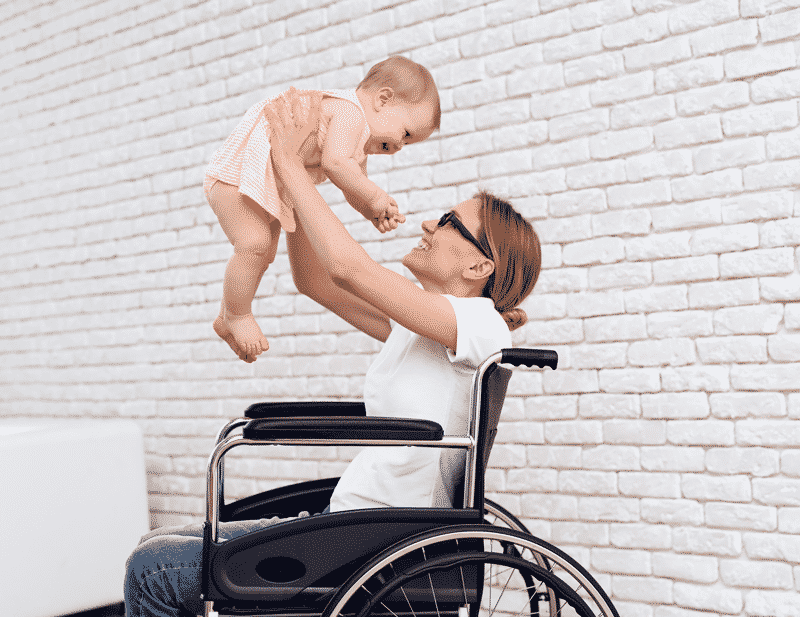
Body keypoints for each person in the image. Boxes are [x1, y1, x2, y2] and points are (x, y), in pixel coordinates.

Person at [123, 96, 542, 617]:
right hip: (353, 526)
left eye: (446, 221)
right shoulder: (421, 327)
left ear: (480, 265)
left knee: (155, 573)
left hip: (378, 544)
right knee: (151, 550)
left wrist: (288, 160)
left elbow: (349, 267)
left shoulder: (479, 324)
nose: (428, 227)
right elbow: (317, 281)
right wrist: (302, 186)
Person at [206, 56, 441, 362]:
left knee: (262, 253)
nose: (399, 147)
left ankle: (228, 315)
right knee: (254, 244)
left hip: (274, 183)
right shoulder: (350, 113)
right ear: (383, 100)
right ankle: (237, 315)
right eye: (406, 134)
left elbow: (350, 182)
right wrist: (375, 196)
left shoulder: (359, 136)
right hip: (238, 176)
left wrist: (370, 209)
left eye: (407, 145)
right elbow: (335, 164)